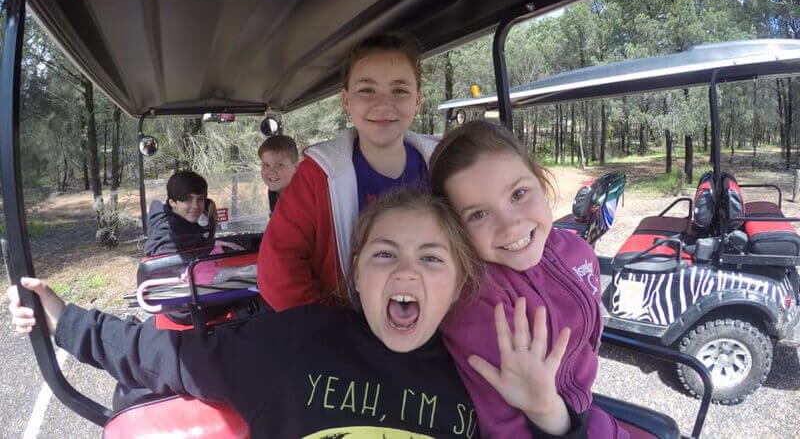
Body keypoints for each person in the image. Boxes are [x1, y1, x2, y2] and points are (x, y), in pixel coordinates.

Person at [6, 191, 587, 438]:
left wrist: (549, 413)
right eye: (384, 255)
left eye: (431, 258)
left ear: (459, 279)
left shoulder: (482, 368)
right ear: (356, 275)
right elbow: (161, 354)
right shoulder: (292, 343)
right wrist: (64, 318)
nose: (405, 273)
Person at [429, 121, 627, 439]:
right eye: (478, 214)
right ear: (458, 230)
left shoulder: (577, 250)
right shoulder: (478, 300)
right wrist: (554, 415)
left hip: (583, 412)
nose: (510, 226)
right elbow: (504, 427)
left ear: (541, 180)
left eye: (519, 194)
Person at [257, 33, 438, 311]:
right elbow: (278, 271)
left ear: (417, 101)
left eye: (399, 90)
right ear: (346, 101)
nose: (383, 103)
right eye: (367, 90)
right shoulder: (317, 176)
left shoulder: (443, 166)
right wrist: (334, 325)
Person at [143, 170, 217, 257]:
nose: (195, 206)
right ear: (172, 202)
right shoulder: (167, 227)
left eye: (200, 199)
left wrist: (210, 204)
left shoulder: (184, 215)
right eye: (187, 199)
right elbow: (158, 247)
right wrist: (209, 243)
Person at [257, 134, 299, 214]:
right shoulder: (274, 192)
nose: (271, 172)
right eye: (266, 165)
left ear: (296, 168)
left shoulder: (301, 199)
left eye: (279, 165)